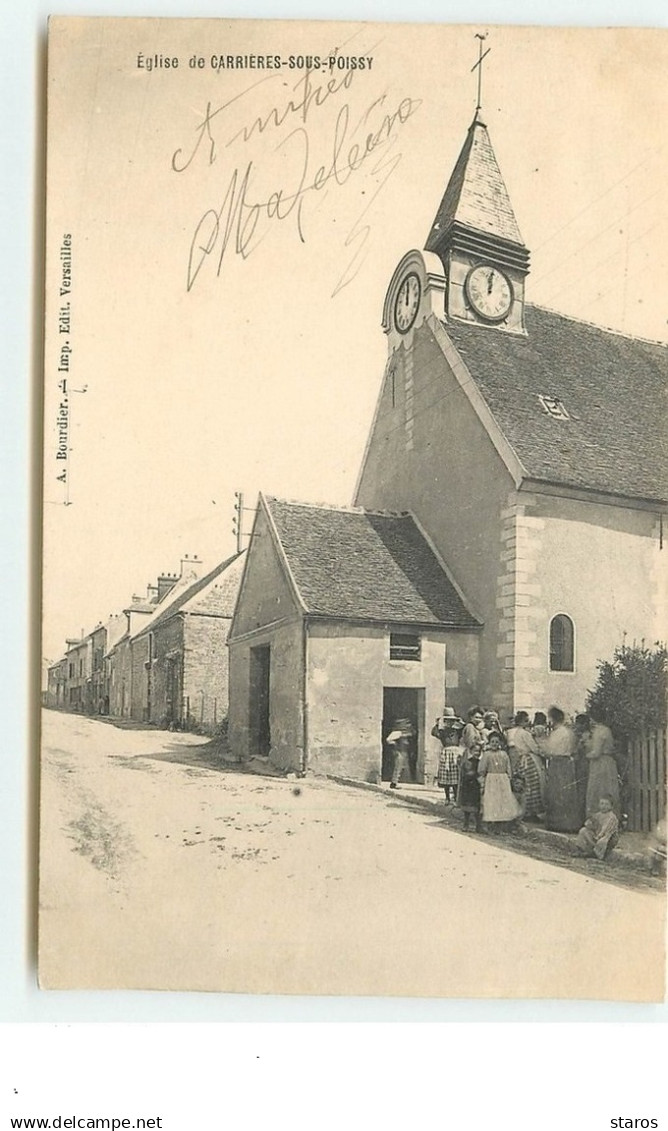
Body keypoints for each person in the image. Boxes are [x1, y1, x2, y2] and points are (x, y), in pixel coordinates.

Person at [543, 706, 583, 832]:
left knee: (556, 792)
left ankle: (558, 823)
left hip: (558, 763)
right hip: (567, 762)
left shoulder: (557, 733)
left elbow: (549, 750)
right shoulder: (569, 733)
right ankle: (569, 823)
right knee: (567, 792)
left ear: (554, 719)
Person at [575, 712, 620, 818]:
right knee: (603, 789)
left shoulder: (600, 731)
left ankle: (599, 819)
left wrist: (585, 756)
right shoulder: (604, 730)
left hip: (601, 763)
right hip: (605, 762)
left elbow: (596, 753)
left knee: (599, 790)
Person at [478, 730, 522, 829]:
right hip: (491, 779)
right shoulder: (487, 754)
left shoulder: (504, 754)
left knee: (502, 800)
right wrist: (483, 777)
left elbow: (508, 767)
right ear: (489, 742)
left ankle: (500, 823)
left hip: (503, 779)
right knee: (492, 799)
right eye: (492, 742)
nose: (494, 744)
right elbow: (482, 769)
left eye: (497, 742)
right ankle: (491, 821)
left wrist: (509, 777)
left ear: (500, 743)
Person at [507, 710, 546, 820]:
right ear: (522, 722)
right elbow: (534, 748)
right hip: (530, 759)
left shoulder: (517, 733)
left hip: (522, 759)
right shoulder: (525, 734)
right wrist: (542, 752)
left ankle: (527, 811)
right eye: (526, 720)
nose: (528, 722)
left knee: (527, 785)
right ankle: (532, 812)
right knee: (534, 785)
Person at [432, 707, 464, 804]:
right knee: (446, 775)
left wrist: (460, 721)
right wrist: (438, 723)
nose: (450, 723)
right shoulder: (443, 731)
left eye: (452, 721)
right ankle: (447, 798)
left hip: (456, 753)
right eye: (448, 721)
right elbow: (433, 732)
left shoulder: (457, 731)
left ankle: (455, 798)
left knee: (455, 776)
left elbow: (464, 727)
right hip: (446, 753)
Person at [575, 795, 619, 860]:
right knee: (583, 830)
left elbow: (606, 829)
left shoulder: (611, 817)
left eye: (606, 804)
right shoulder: (598, 815)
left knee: (602, 841)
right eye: (602, 804)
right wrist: (590, 823)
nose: (604, 806)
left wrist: (599, 836)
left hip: (608, 837)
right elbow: (589, 824)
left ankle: (596, 854)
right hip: (597, 836)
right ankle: (582, 850)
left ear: (611, 806)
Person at [386, 718, 414, 789]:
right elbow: (388, 740)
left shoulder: (406, 733)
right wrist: (395, 746)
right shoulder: (397, 732)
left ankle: (398, 781)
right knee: (398, 767)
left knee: (402, 767)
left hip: (404, 751)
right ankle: (394, 783)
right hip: (399, 751)